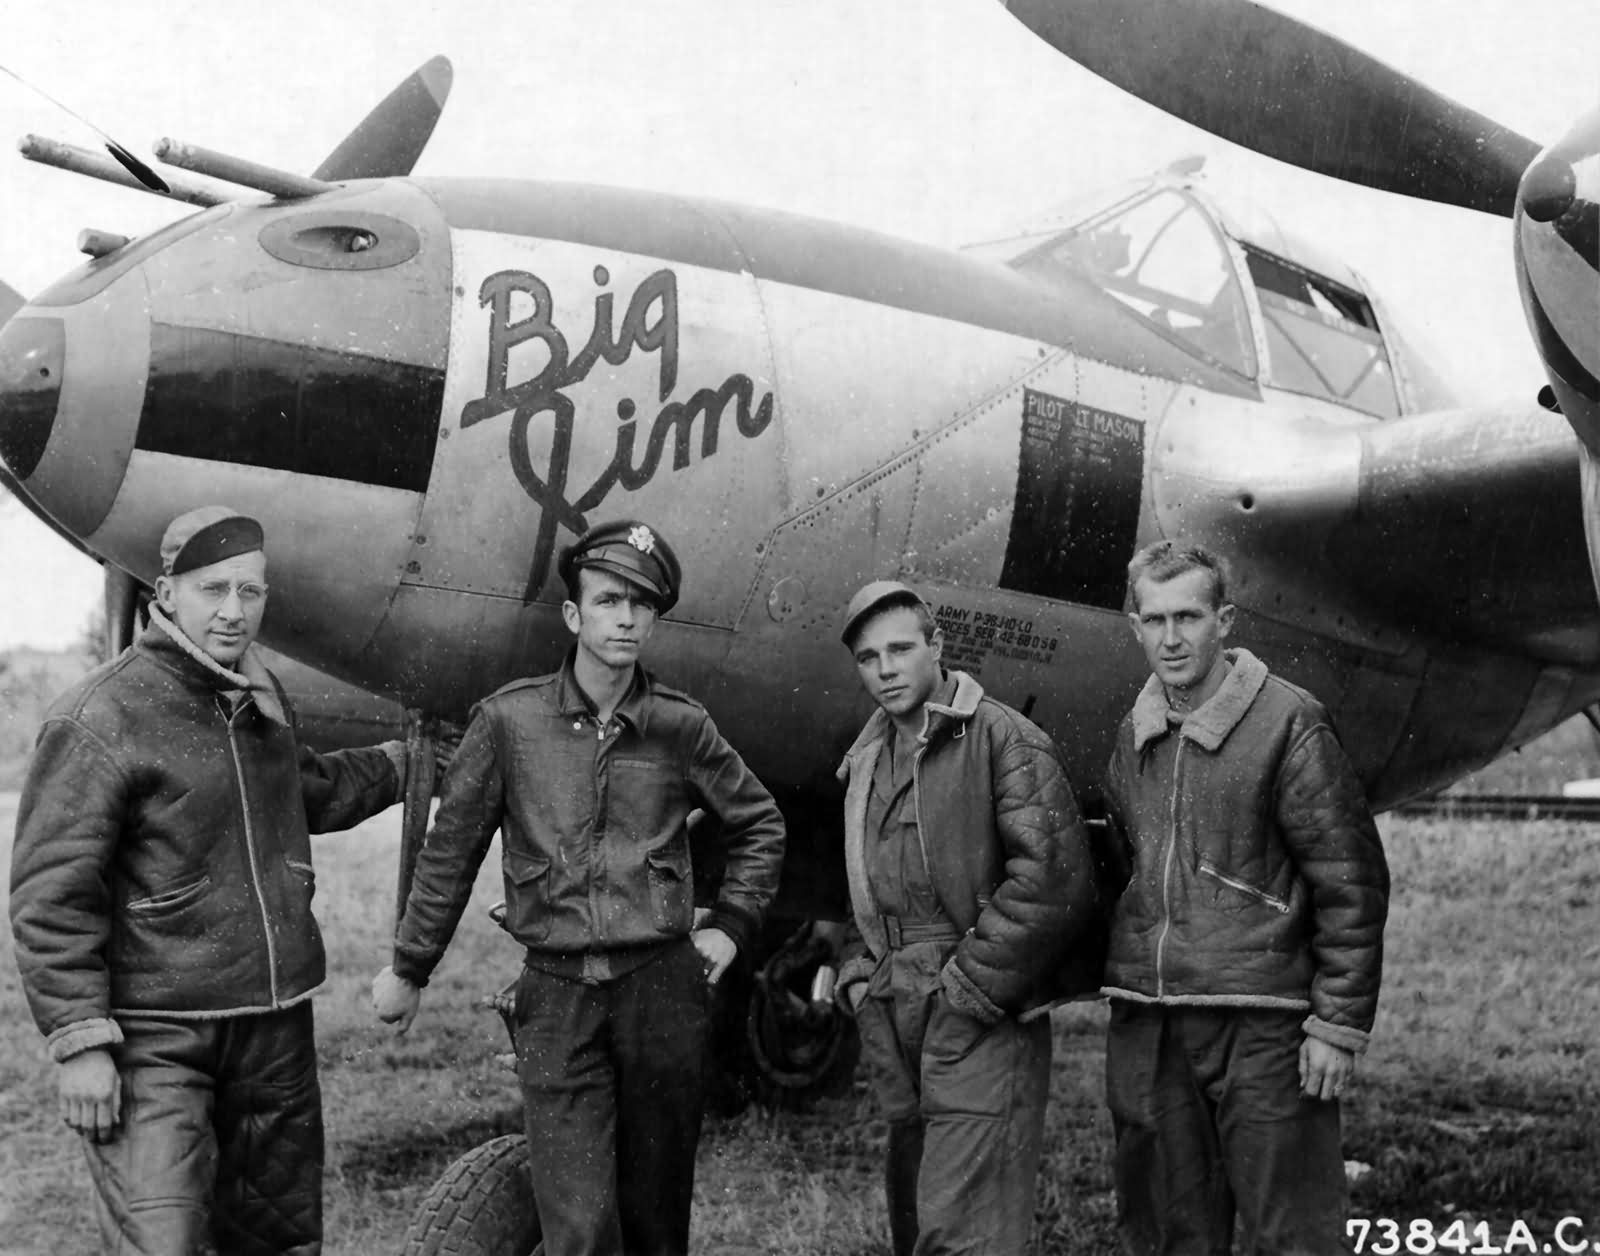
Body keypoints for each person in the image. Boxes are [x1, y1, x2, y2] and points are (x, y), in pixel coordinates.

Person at [371, 518, 785, 1256]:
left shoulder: (679, 726)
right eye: (607, 600)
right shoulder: (507, 722)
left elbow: (760, 824)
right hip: (556, 999)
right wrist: (410, 965)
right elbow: (450, 852)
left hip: (661, 995)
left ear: (654, 619)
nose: (624, 618)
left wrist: (731, 924)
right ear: (574, 614)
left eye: (640, 605)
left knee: (657, 1223)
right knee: (581, 1225)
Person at [9, 506, 409, 1255]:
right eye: (213, 589)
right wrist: (80, 1041)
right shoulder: (101, 714)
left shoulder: (258, 697)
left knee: (277, 1243)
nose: (233, 611)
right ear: (167, 591)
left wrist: (407, 763)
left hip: (272, 1028)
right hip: (156, 1037)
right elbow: (50, 895)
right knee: (162, 1244)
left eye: (250, 592)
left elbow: (310, 790)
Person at [1103, 540, 1389, 1254]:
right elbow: (1125, 867)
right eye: (1155, 619)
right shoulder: (1130, 737)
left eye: (1189, 617)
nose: (1171, 639)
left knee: (1289, 1232)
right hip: (1155, 1019)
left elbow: (1350, 879)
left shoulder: (1288, 722)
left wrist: (1337, 1025)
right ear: (1134, 624)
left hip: (1263, 1022)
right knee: (1172, 1231)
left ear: (1224, 619)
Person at [832, 579, 1107, 1256]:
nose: (887, 669)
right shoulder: (866, 755)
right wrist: (856, 971)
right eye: (870, 658)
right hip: (897, 1002)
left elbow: (1055, 880)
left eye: (901, 649)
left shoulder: (1004, 738)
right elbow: (859, 876)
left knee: (966, 1230)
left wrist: (970, 987)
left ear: (938, 646)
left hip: (975, 1003)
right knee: (919, 1214)